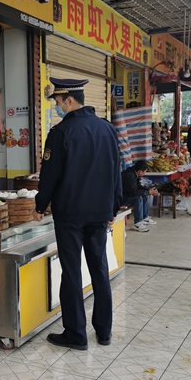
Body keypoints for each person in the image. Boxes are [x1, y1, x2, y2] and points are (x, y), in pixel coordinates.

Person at [31, 78, 122, 351]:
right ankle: (104, 332)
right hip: (99, 213)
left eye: (57, 103)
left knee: (71, 273)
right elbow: (116, 170)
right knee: (100, 270)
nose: (57, 108)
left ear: (69, 101)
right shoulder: (107, 129)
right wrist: (113, 207)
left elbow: (49, 176)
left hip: (70, 215)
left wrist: (39, 205)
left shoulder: (60, 133)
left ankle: (76, 335)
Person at [121, 159, 159, 232]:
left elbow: (138, 187)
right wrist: (148, 192)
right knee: (138, 198)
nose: (145, 173)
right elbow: (134, 192)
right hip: (122, 198)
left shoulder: (134, 173)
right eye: (145, 171)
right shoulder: (129, 175)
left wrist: (149, 191)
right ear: (140, 171)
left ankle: (145, 218)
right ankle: (137, 223)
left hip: (128, 195)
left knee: (145, 195)